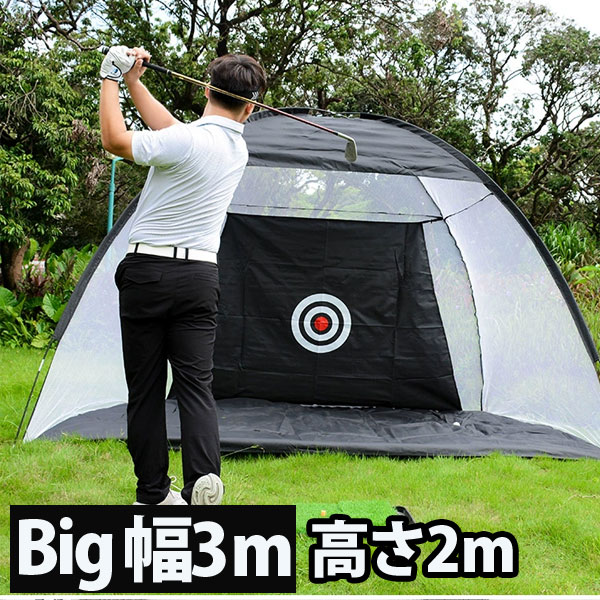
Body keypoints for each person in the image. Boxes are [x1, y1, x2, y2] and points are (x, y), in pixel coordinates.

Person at [99, 45, 267, 505]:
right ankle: (202, 480)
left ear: (207, 90)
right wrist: (134, 82)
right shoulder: (236, 148)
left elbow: (115, 141)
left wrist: (110, 76)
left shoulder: (187, 141)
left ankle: (153, 493)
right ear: (250, 109)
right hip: (199, 277)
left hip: (147, 273)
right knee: (196, 387)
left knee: (146, 390)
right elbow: (172, 131)